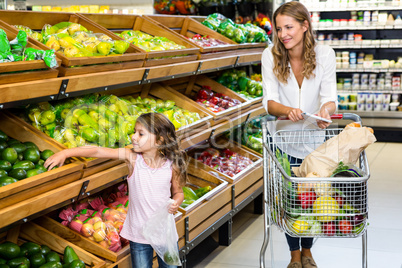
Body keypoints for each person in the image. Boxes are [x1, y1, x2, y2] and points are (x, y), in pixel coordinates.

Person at [45, 112, 186, 268]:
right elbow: (97, 151)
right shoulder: (133, 159)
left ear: (160, 140)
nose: (133, 137)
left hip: (164, 233)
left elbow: (178, 193)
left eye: (141, 134)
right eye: (134, 131)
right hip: (138, 234)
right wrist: (66, 152)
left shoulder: (172, 165)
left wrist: (176, 202)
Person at [261, 1, 337, 268]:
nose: (283, 34)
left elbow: (330, 98)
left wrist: (326, 112)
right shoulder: (270, 56)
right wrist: (288, 110)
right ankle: (295, 256)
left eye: (289, 27)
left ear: (305, 26)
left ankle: (308, 251)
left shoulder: (325, 54)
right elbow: (269, 102)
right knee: (291, 199)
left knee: (314, 198)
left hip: (315, 141)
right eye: (279, 28)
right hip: (283, 140)